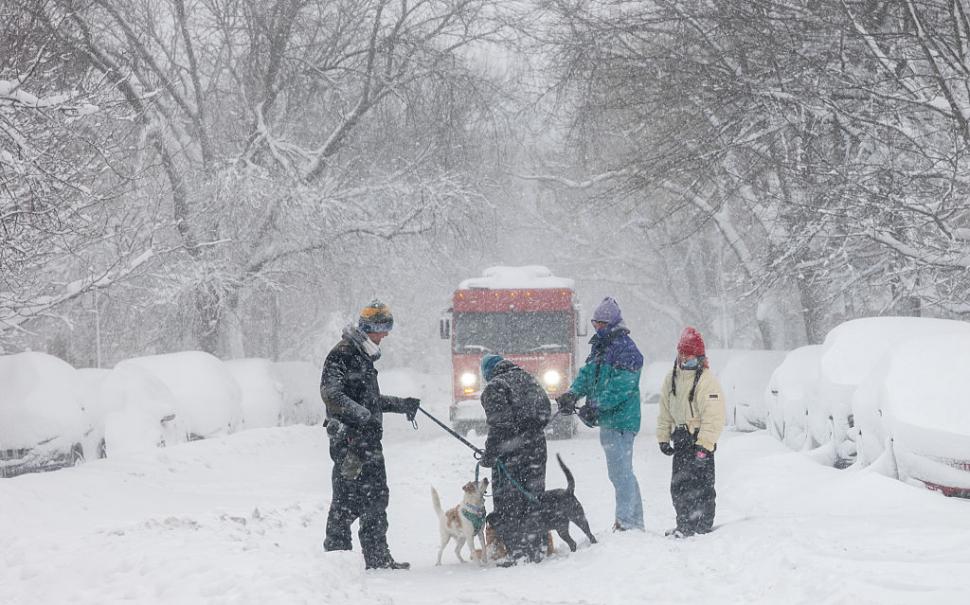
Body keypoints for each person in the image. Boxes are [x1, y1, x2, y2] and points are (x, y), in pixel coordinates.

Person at [320, 300, 421, 570]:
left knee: (376, 497)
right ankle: (336, 560)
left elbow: (371, 400)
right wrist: (361, 417)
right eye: (382, 328)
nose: (385, 334)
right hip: (349, 442)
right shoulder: (342, 354)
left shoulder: (363, 356)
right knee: (347, 500)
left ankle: (377, 558)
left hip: (368, 440)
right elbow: (331, 395)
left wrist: (401, 405)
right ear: (369, 327)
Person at [556, 297, 645, 532]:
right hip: (610, 419)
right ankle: (633, 520)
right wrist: (572, 394)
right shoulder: (601, 347)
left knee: (620, 472)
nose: (597, 328)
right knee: (621, 472)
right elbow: (587, 375)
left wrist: (596, 405)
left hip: (622, 420)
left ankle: (627, 522)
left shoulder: (626, 349)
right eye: (595, 323)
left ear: (613, 323)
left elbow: (622, 386)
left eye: (602, 324)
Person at [478, 353, 550, 564]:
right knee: (533, 496)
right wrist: (530, 431)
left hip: (511, 453)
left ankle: (515, 550)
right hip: (537, 448)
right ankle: (537, 546)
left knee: (508, 502)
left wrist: (490, 455)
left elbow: (499, 425)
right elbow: (545, 410)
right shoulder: (528, 378)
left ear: (488, 373)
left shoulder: (494, 388)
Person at [656, 326, 726, 538]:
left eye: (689, 354)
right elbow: (665, 410)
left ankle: (702, 526)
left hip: (699, 441)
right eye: (682, 353)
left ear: (699, 356)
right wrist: (663, 437)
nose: (685, 358)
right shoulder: (671, 379)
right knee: (679, 486)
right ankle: (684, 525)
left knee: (702, 487)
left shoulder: (707, 381)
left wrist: (704, 445)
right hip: (681, 440)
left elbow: (714, 417)